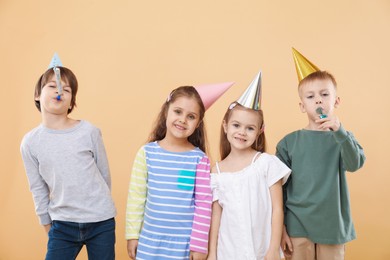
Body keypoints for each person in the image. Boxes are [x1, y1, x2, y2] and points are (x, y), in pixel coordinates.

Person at [20, 53, 116, 260]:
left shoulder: (89, 131)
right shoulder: (30, 142)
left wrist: (98, 207)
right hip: (62, 224)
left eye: (66, 89)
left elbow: (104, 174)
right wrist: (47, 225)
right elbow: (37, 188)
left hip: (101, 221)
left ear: (72, 100)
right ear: (37, 94)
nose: (59, 91)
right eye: (52, 87)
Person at [125, 83, 233, 260]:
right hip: (150, 242)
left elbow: (203, 205)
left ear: (198, 123)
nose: (183, 119)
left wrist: (199, 245)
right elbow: (136, 197)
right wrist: (132, 235)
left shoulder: (199, 160)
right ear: (166, 111)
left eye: (191, 116)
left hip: (184, 245)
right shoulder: (146, 154)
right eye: (178, 112)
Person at [276, 48, 366, 260]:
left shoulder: (342, 137)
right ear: (302, 105)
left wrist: (341, 132)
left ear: (336, 101)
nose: (318, 100)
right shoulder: (288, 143)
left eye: (324, 94)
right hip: (297, 223)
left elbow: (355, 164)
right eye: (310, 96)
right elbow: (278, 189)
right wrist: (281, 227)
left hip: (332, 224)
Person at [207, 72, 291, 260]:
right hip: (229, 252)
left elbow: (277, 209)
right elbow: (216, 218)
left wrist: (272, 249)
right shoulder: (216, 173)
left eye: (250, 128)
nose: (242, 132)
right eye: (236, 125)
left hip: (262, 251)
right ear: (225, 126)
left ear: (260, 132)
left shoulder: (265, 164)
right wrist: (212, 253)